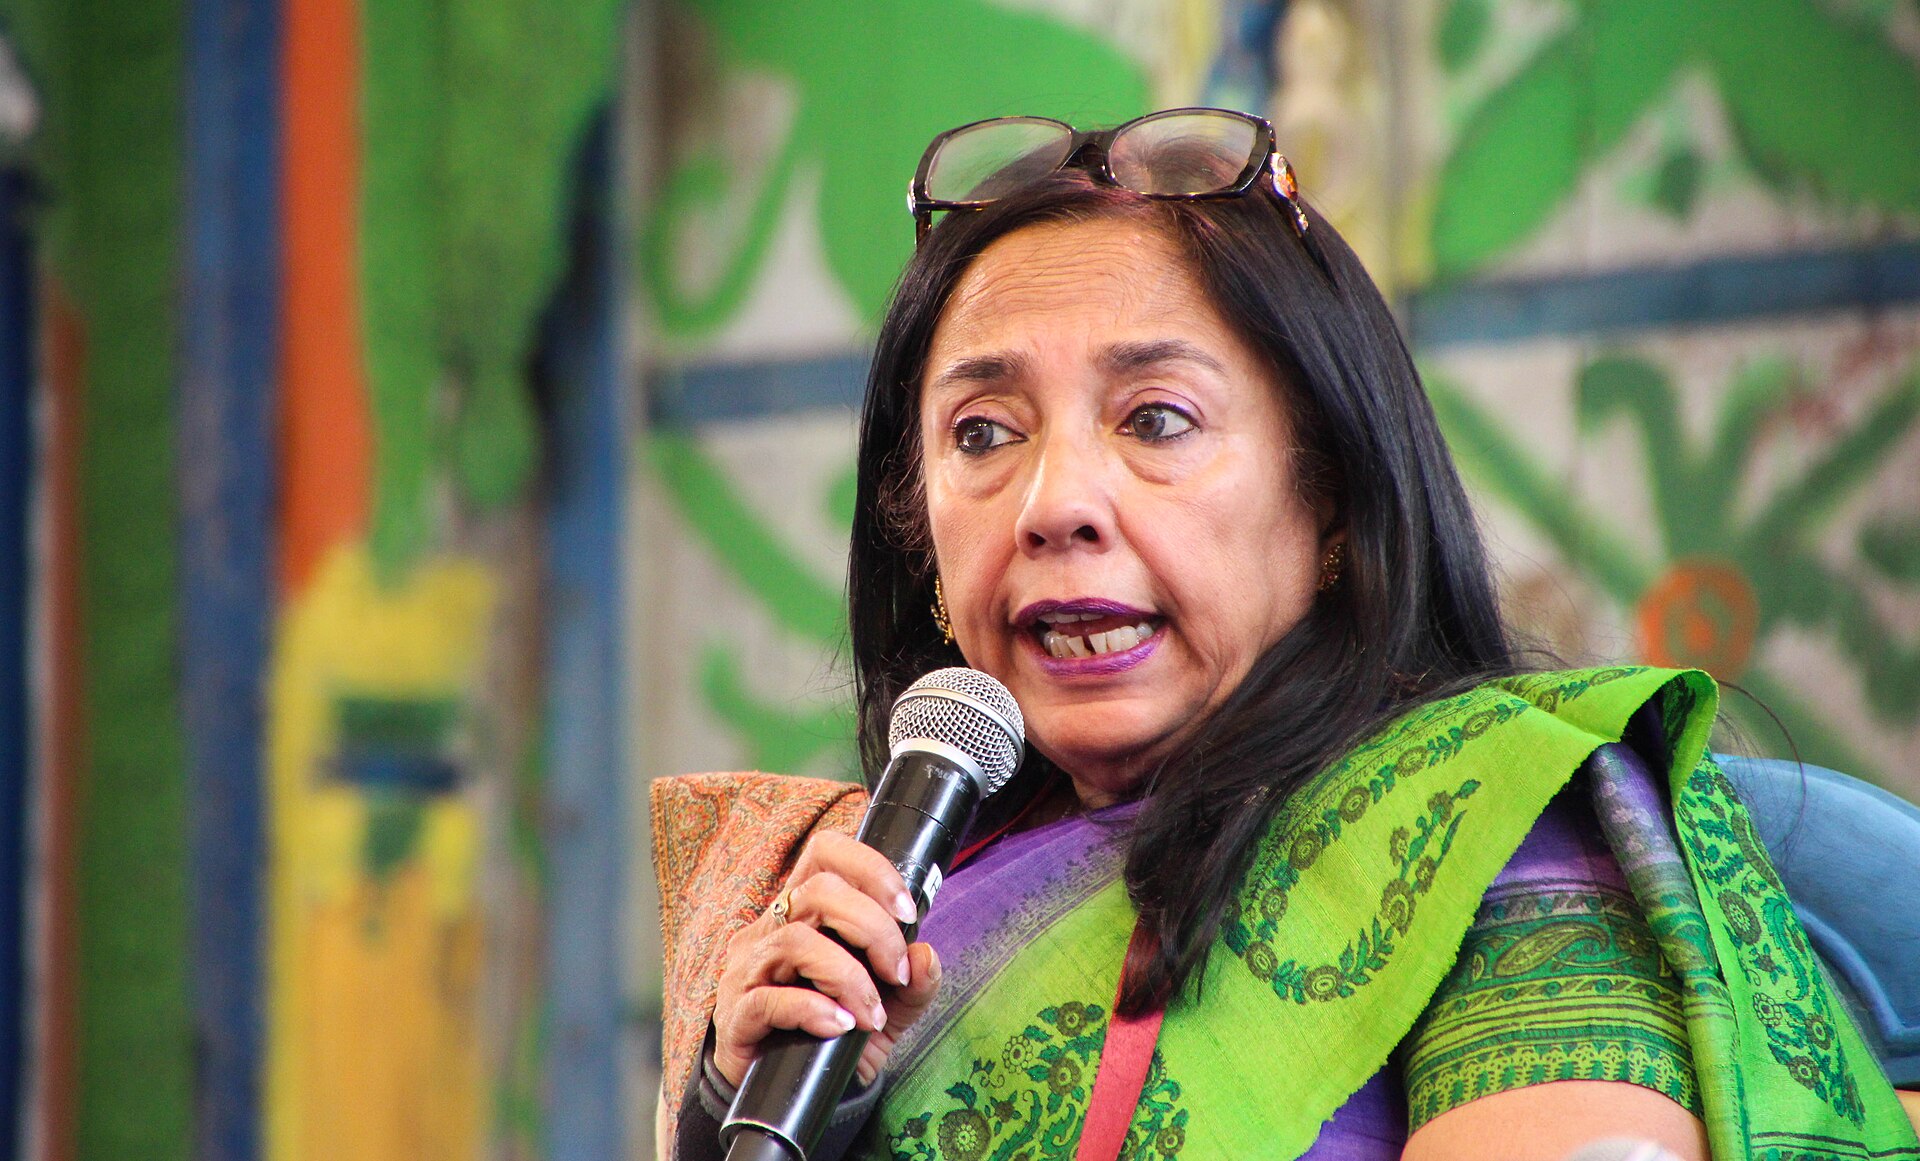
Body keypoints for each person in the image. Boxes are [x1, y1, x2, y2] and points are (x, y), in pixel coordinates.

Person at [653, 108, 1920, 1160]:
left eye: (1155, 420)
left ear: (1330, 499)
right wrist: (748, 1112)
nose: (1053, 508)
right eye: (983, 433)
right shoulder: (851, 924)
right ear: (917, 531)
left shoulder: (1482, 834)